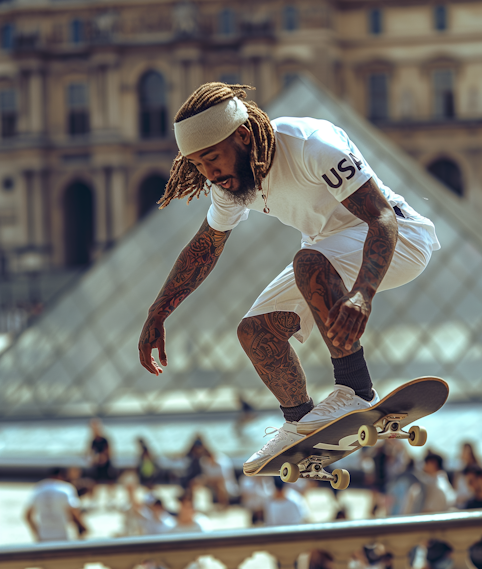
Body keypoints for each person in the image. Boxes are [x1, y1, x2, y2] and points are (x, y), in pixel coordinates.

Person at [137, 82, 440, 472]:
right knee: (255, 331)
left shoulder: (312, 144)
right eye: (197, 165)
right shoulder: (229, 184)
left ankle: (356, 390)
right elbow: (206, 246)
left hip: (400, 238)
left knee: (308, 262)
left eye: (212, 158)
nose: (209, 174)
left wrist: (363, 293)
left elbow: (380, 216)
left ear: (243, 137)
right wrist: (157, 313)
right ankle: (303, 426)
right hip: (327, 252)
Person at [24, 468, 88, 569]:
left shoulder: (39, 488)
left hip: (44, 534)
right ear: (60, 475)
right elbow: (74, 512)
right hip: (64, 535)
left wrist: (36, 532)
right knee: (68, 567)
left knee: (44, 567)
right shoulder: (66, 488)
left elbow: (27, 515)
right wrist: (83, 527)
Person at [88, 418, 116, 505]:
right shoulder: (93, 440)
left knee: (109, 481)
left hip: (106, 464)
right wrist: (92, 459)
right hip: (97, 464)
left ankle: (112, 499)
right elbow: (90, 452)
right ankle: (94, 500)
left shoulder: (104, 439)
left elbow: (109, 452)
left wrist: (103, 457)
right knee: (94, 482)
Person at [452, 442, 480, 508]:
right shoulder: (459, 469)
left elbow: (475, 489)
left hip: (471, 505)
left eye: (465, 452)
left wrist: (464, 498)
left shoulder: (475, 470)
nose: (463, 454)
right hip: (459, 504)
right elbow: (455, 487)